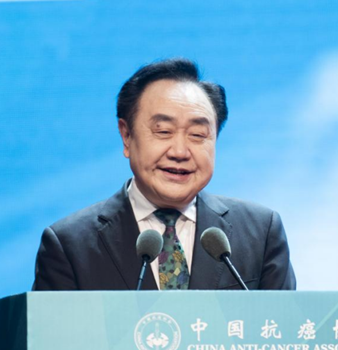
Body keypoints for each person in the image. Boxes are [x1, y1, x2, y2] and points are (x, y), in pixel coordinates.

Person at [32, 58, 296, 291]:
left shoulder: (261, 233)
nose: (180, 152)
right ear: (127, 136)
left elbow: (283, 328)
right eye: (163, 131)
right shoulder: (70, 245)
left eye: (198, 135)